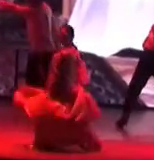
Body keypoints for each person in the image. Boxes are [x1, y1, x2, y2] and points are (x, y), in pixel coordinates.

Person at [14, 24, 101, 152]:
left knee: (47, 114)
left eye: (64, 35)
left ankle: (48, 142)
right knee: (44, 116)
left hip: (61, 91)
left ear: (70, 37)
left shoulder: (68, 55)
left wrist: (56, 91)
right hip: (58, 90)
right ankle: (46, 142)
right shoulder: (68, 53)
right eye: (61, 34)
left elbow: (66, 77)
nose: (61, 37)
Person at [0, 0, 59, 88]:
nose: (27, 1)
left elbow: (13, 7)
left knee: (35, 83)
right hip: (47, 51)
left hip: (40, 53)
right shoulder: (46, 8)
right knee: (43, 81)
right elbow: (54, 29)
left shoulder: (34, 11)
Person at [116, 23, 154, 131]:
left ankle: (124, 116)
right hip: (148, 55)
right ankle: (124, 116)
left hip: (148, 54)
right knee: (135, 87)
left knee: (135, 86)